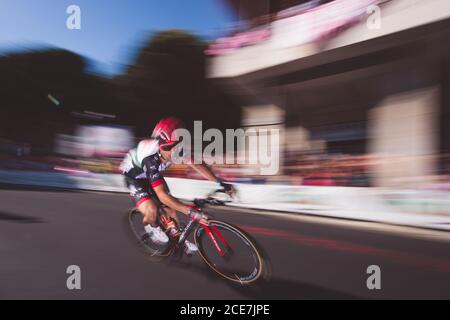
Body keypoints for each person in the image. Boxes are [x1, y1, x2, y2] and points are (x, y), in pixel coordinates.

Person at [120, 117, 234, 255]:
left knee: (170, 207)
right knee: (152, 209)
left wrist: (219, 182)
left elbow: (197, 164)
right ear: (160, 145)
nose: (173, 151)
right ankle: (152, 226)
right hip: (134, 177)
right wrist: (190, 212)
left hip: (151, 173)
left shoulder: (177, 148)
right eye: (167, 147)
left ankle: (177, 237)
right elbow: (161, 195)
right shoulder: (150, 157)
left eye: (176, 145)